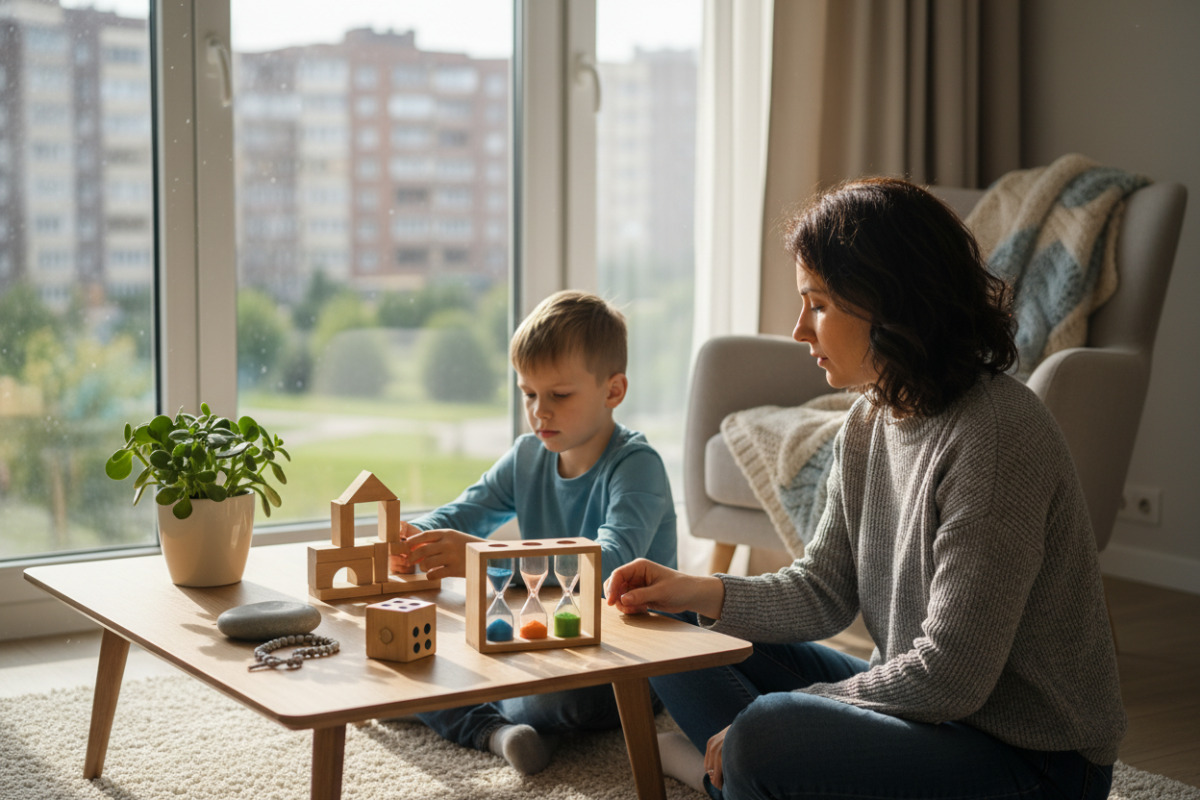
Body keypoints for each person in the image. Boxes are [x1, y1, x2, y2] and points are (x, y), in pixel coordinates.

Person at [605, 177, 1125, 800]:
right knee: (668, 623)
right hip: (925, 716)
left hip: (1035, 763)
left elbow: (951, 677)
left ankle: (730, 768)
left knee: (766, 732)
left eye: (818, 304)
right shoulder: (869, 419)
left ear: (891, 302)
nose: (800, 330)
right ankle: (741, 775)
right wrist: (691, 587)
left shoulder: (995, 437)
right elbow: (824, 589)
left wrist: (792, 711)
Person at [400, 289, 678, 775]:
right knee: (416, 650)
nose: (539, 411)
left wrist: (489, 560)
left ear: (613, 391)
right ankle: (503, 734)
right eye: (529, 394)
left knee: (554, 698)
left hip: (627, 661)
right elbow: (466, 512)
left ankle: (480, 718)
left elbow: (612, 565)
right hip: (543, 639)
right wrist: (413, 536)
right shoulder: (528, 455)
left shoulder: (637, 465)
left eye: (559, 395)